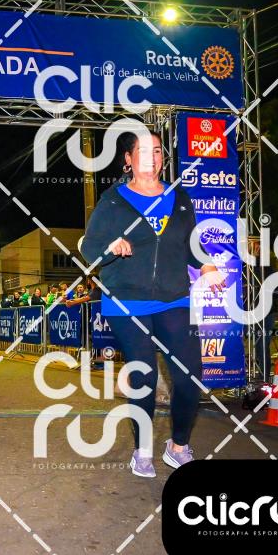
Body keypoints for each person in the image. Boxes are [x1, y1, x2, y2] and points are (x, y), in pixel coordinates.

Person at [80, 130, 224, 479]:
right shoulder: (113, 201)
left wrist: (207, 266)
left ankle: (178, 447)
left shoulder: (179, 197)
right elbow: (90, 248)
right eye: (143, 151)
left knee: (189, 376)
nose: (152, 157)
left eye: (157, 151)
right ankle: (142, 449)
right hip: (127, 300)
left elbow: (192, 244)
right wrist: (110, 247)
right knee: (144, 375)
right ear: (128, 159)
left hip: (174, 297)